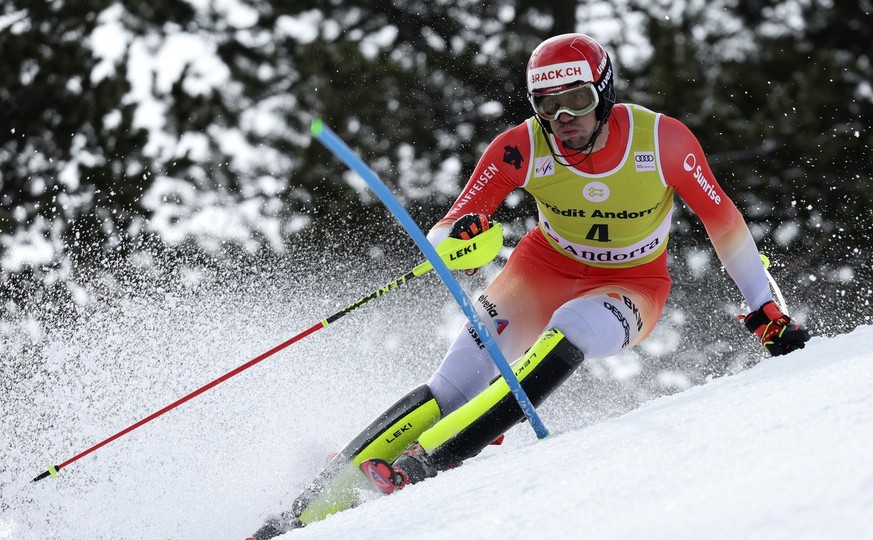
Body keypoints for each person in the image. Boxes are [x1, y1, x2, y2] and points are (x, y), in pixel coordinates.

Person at [248, 33, 810, 539]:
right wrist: (459, 238)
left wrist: (765, 308)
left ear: (604, 94)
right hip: (542, 268)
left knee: (575, 328)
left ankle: (426, 461)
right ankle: (302, 511)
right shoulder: (519, 147)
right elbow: (451, 226)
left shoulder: (662, 141)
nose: (563, 117)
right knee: (454, 382)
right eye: (547, 104)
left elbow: (724, 222)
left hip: (633, 282)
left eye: (579, 101)